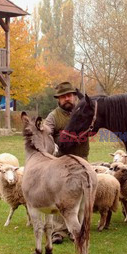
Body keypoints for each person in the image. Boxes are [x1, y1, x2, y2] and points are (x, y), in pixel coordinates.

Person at [44, 81, 90, 244]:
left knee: (81, 197)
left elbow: (93, 126)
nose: (67, 99)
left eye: (69, 95)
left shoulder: (83, 111)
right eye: (63, 97)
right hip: (62, 162)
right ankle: (59, 231)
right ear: (58, 99)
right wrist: (53, 138)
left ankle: (75, 230)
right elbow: (46, 131)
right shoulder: (53, 116)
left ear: (74, 96)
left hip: (82, 160)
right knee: (61, 197)